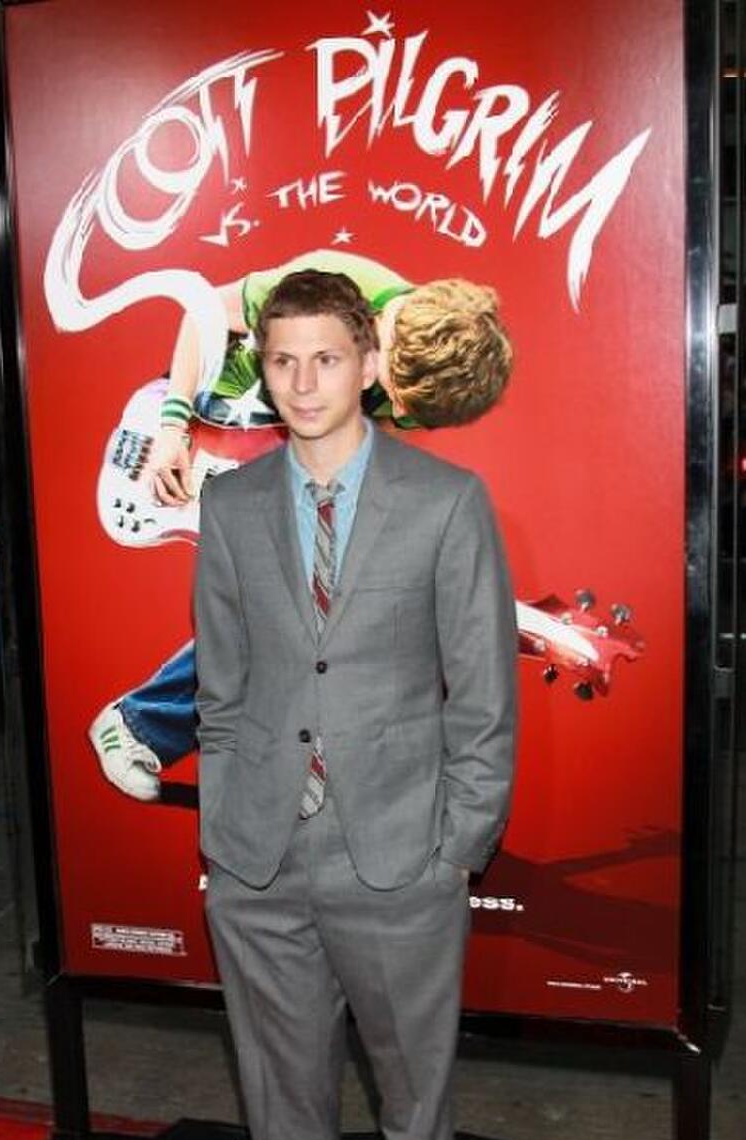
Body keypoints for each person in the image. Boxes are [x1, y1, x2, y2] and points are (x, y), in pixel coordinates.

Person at [196, 269, 517, 1140]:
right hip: (260, 857)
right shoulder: (232, 506)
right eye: (282, 359)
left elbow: (483, 697)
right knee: (277, 1081)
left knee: (413, 1089)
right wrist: (224, 837)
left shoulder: (446, 500)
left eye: (326, 357)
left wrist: (456, 846)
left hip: (401, 854)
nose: (302, 382)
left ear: (371, 364)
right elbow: (222, 691)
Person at [88, 250, 513, 800]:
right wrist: (172, 428)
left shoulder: (419, 388)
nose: (398, 407)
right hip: (205, 430)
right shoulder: (331, 286)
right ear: (391, 335)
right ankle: (139, 725)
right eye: (396, 390)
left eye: (408, 407)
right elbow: (203, 314)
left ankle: (162, 731)